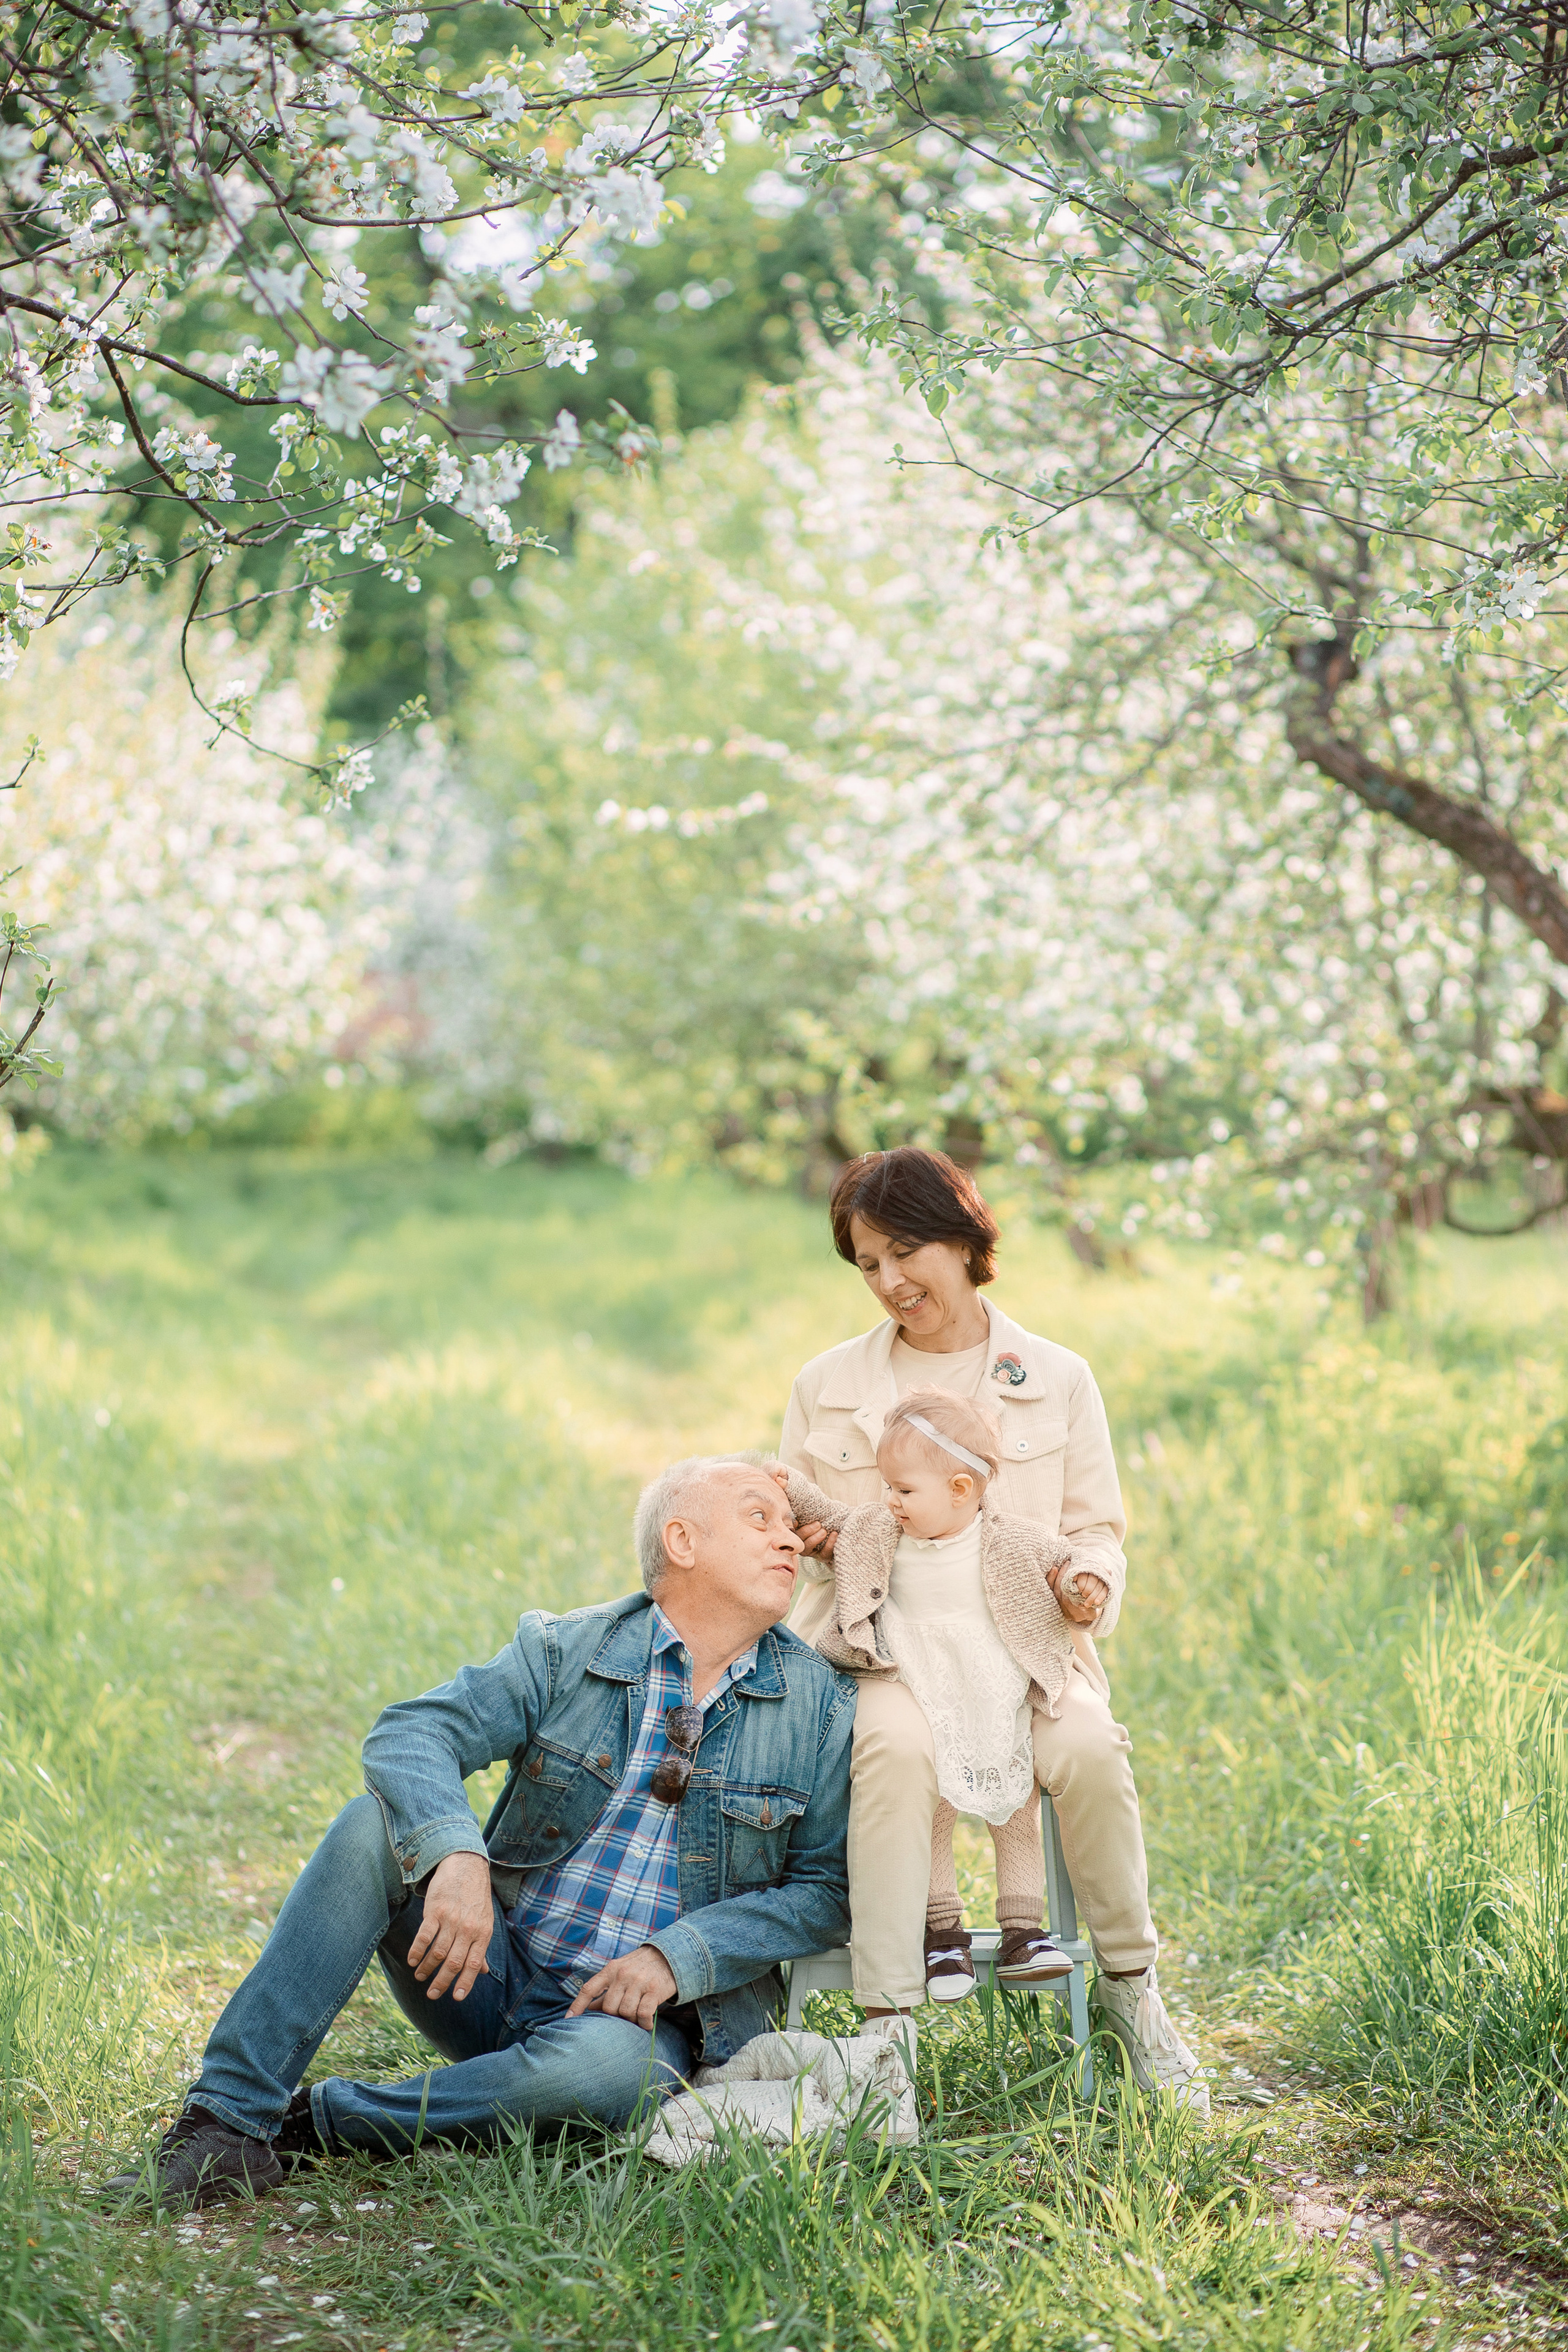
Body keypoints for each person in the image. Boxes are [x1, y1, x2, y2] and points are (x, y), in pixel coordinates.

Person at [104, 1457, 856, 2209]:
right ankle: (224, 2120)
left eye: (791, 1527)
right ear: (683, 1541)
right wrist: (457, 1856)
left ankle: (325, 2122)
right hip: (483, 1970)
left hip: (636, 2027)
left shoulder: (818, 1706)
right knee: (374, 1826)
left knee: (610, 2077)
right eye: (760, 1518)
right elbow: (412, 1734)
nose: (789, 1541)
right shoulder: (567, 1651)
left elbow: (823, 1891)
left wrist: (678, 1957)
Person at [781, 1146, 1208, 2114]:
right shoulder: (829, 1384)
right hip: (888, 1660)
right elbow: (808, 1526)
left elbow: (1096, 1527)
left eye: (905, 1251)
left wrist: (1090, 1580)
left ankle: (1133, 1991)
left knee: (1092, 1749)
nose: (890, 1281)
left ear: (966, 1240)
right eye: (867, 1264)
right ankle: (887, 2032)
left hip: (1027, 1653)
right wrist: (801, 1531)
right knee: (889, 1753)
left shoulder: (1055, 1377)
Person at [785, 1385, 1090, 2000]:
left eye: (903, 1490)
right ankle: (942, 1935)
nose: (889, 1501)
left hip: (995, 1693)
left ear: (960, 1490)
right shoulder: (879, 1529)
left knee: (1017, 1814)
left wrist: (1085, 1583)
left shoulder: (1010, 1539)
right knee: (933, 1813)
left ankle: (1023, 1933)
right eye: (888, 1488)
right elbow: (833, 1515)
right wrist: (784, 1485)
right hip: (922, 1692)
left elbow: (1071, 1559)